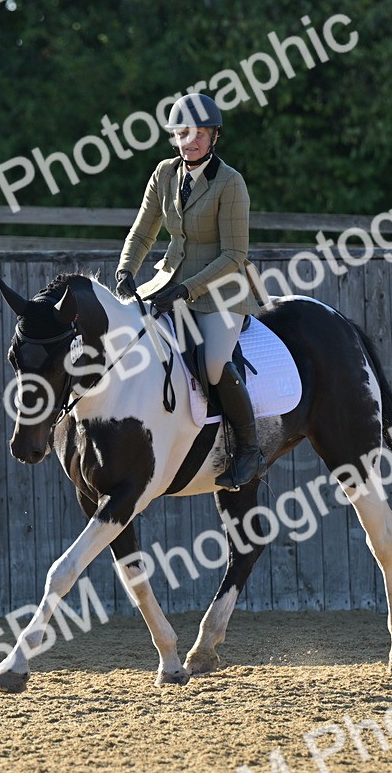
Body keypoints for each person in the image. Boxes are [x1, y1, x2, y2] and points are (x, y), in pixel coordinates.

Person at [114, 92, 265, 490]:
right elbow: (144, 230)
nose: (190, 141)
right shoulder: (164, 173)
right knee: (126, 332)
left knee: (214, 364)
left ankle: (250, 449)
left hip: (221, 292)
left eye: (199, 134)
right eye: (183, 133)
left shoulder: (231, 183)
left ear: (215, 136)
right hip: (169, 280)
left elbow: (234, 255)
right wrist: (126, 270)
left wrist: (185, 290)